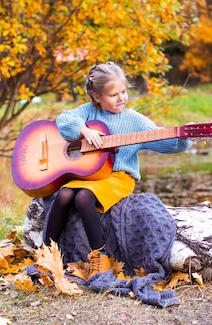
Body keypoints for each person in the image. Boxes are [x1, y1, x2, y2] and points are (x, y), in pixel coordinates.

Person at [43, 62, 193, 279]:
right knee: (65, 194)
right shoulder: (86, 113)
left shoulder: (134, 120)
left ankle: (100, 257)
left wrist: (183, 140)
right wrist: (84, 130)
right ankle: (47, 253)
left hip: (119, 177)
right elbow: (64, 119)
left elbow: (164, 142)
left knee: (83, 197)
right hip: (91, 176)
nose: (121, 98)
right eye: (113, 95)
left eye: (123, 92)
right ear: (96, 97)